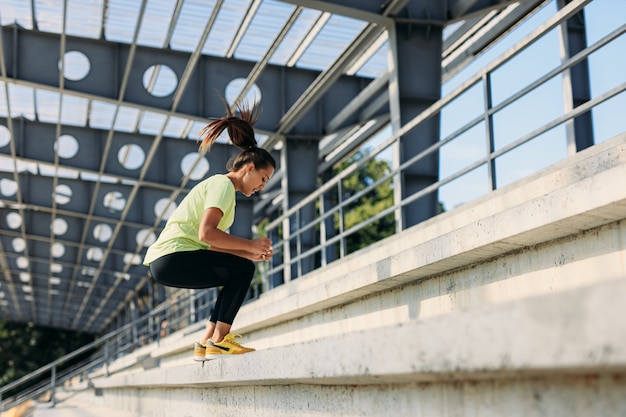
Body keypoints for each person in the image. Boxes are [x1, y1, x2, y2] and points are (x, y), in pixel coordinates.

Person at [143, 101, 275, 360]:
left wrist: (248, 253)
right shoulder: (222, 185)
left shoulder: (226, 192)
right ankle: (221, 340)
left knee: (237, 271)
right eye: (263, 179)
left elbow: (211, 245)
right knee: (242, 270)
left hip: (169, 261)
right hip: (173, 256)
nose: (262, 186)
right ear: (249, 168)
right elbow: (206, 234)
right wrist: (249, 246)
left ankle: (206, 341)